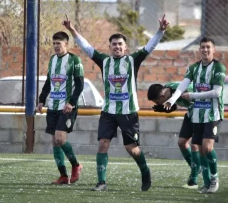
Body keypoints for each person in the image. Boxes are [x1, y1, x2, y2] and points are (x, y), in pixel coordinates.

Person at [63, 14, 169, 191]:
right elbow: (86, 47)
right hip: (108, 112)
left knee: (132, 149)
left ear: (125, 47)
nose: (117, 46)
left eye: (120, 44)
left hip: (128, 112)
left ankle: (145, 171)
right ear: (110, 47)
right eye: (114, 44)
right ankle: (101, 182)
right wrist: (72, 30)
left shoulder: (132, 60)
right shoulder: (104, 61)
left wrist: (160, 31)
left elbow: (149, 47)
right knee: (103, 143)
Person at [164, 37, 226, 194]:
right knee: (200, 148)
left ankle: (214, 179)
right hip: (197, 115)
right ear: (199, 50)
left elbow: (216, 92)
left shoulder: (218, 67)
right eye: (202, 47)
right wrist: (172, 99)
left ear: (213, 50)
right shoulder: (193, 68)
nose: (205, 50)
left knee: (207, 147)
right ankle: (206, 183)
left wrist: (192, 96)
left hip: (213, 114)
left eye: (208, 47)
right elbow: (183, 85)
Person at [37, 31, 84, 185]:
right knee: (55, 141)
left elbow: (79, 84)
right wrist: (41, 100)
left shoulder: (74, 60)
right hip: (53, 106)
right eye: (54, 43)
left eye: (59, 43)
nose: (56, 46)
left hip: (67, 106)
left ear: (66, 44)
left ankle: (76, 166)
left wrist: (72, 102)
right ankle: (63, 176)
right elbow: (49, 82)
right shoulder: (52, 60)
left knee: (60, 138)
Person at [147, 82, 201, 189]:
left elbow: (198, 100)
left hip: (201, 114)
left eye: (158, 102)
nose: (159, 104)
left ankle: (193, 179)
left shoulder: (182, 91)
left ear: (162, 96)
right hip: (191, 113)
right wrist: (169, 108)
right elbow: (175, 104)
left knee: (195, 144)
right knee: (181, 143)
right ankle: (196, 167)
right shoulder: (166, 89)